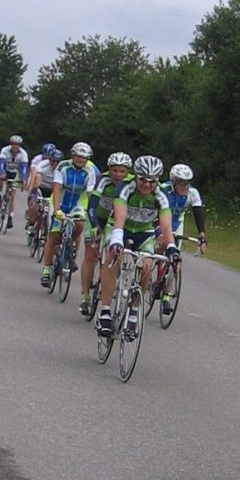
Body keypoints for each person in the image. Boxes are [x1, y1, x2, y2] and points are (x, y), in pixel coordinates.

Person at [96, 155, 178, 339]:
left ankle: (133, 312)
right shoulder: (125, 189)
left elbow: (166, 226)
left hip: (144, 233)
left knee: (147, 265)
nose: (147, 185)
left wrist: (172, 247)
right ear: (135, 176)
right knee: (112, 259)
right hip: (120, 229)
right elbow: (119, 218)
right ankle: (106, 312)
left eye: (152, 181)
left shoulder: (161, 196)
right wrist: (116, 240)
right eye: (142, 179)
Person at [80, 151, 133, 316]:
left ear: (128, 172)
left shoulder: (132, 183)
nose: (118, 174)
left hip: (116, 221)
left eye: (122, 171)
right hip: (98, 218)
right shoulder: (103, 180)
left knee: (115, 251)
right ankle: (86, 296)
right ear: (109, 170)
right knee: (91, 254)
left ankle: (111, 278)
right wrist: (95, 226)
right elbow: (92, 206)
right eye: (114, 170)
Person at [40, 142, 100, 288]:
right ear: (73, 156)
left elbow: (91, 193)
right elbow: (57, 188)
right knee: (53, 235)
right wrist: (58, 210)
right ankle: (47, 270)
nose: (81, 160)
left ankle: (70, 250)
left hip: (78, 203)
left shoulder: (90, 171)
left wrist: (93, 213)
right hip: (60, 201)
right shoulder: (63, 166)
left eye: (84, 157)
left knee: (79, 224)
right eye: (78, 156)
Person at [161, 164, 208, 254]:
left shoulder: (193, 193)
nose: (185, 186)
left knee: (175, 254)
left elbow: (198, 214)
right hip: (160, 222)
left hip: (177, 223)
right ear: (173, 182)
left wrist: (202, 236)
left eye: (187, 182)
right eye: (182, 183)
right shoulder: (163, 190)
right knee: (157, 249)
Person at [0, 134, 29, 230]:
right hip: (5, 169)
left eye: (17, 145)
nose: (15, 147)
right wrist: (0, 174)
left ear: (20, 146)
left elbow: (24, 168)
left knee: (13, 195)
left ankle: (10, 217)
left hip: (15, 172)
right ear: (11, 144)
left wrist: (24, 179)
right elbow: (1, 164)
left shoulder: (23, 153)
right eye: (14, 144)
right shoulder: (5, 150)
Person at [25, 143, 60, 231]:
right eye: (52, 160)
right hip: (41, 187)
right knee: (35, 205)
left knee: (52, 210)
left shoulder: (61, 168)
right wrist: (33, 191)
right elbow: (36, 176)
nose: (54, 163)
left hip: (52, 189)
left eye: (57, 161)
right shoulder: (43, 164)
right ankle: (31, 221)